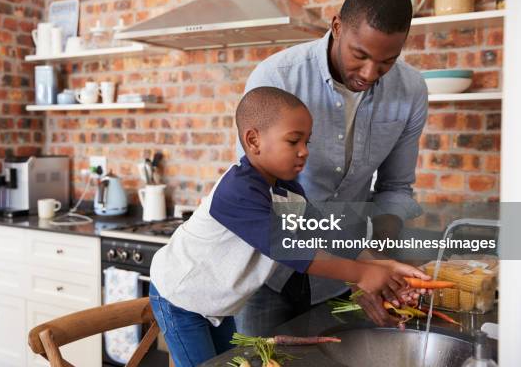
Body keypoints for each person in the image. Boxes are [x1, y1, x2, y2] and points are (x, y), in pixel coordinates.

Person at [149, 86, 429, 367]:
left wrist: (382, 264)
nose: (304, 152)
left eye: (307, 142)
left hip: (214, 304)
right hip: (180, 299)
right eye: (294, 141)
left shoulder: (287, 191)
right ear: (254, 141)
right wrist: (363, 273)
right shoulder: (238, 190)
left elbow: (325, 230)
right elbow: (292, 251)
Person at [235, 0, 430, 334]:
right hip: (267, 275)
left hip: (339, 281)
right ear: (337, 26)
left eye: (388, 61)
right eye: (360, 55)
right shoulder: (277, 78)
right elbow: (264, 195)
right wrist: (361, 267)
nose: (370, 73)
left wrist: (379, 263)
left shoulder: (411, 91)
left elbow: (396, 189)